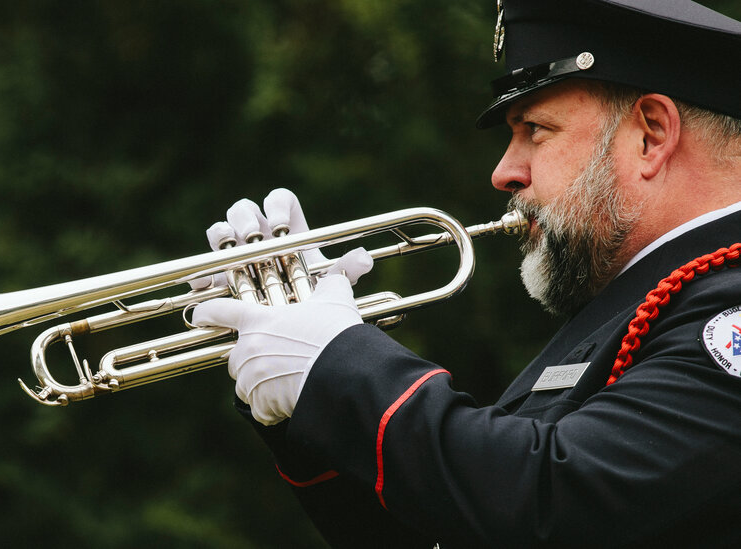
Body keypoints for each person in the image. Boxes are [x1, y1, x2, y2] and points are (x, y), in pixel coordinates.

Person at [192, 0, 741, 547]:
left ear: (651, 133)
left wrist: (342, 366)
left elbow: (559, 500)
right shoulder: (638, 310)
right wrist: (304, 395)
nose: (504, 171)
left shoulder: (724, 310)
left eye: (535, 129)